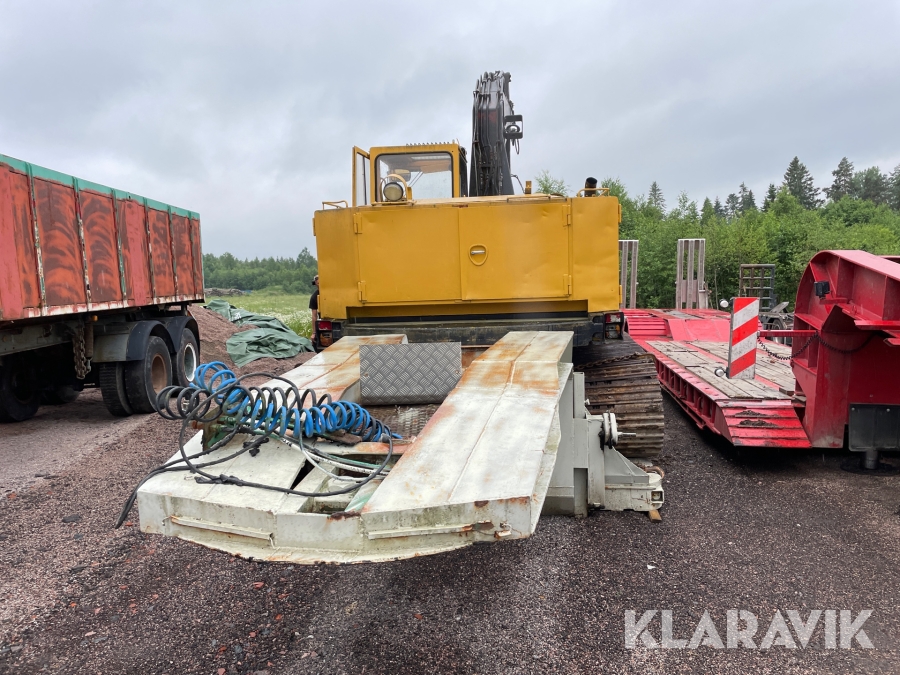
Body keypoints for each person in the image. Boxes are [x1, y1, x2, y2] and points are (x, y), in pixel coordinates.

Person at [309, 274, 319, 346]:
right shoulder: (314, 297)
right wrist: (314, 333)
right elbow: (314, 316)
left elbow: (314, 316)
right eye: (318, 283)